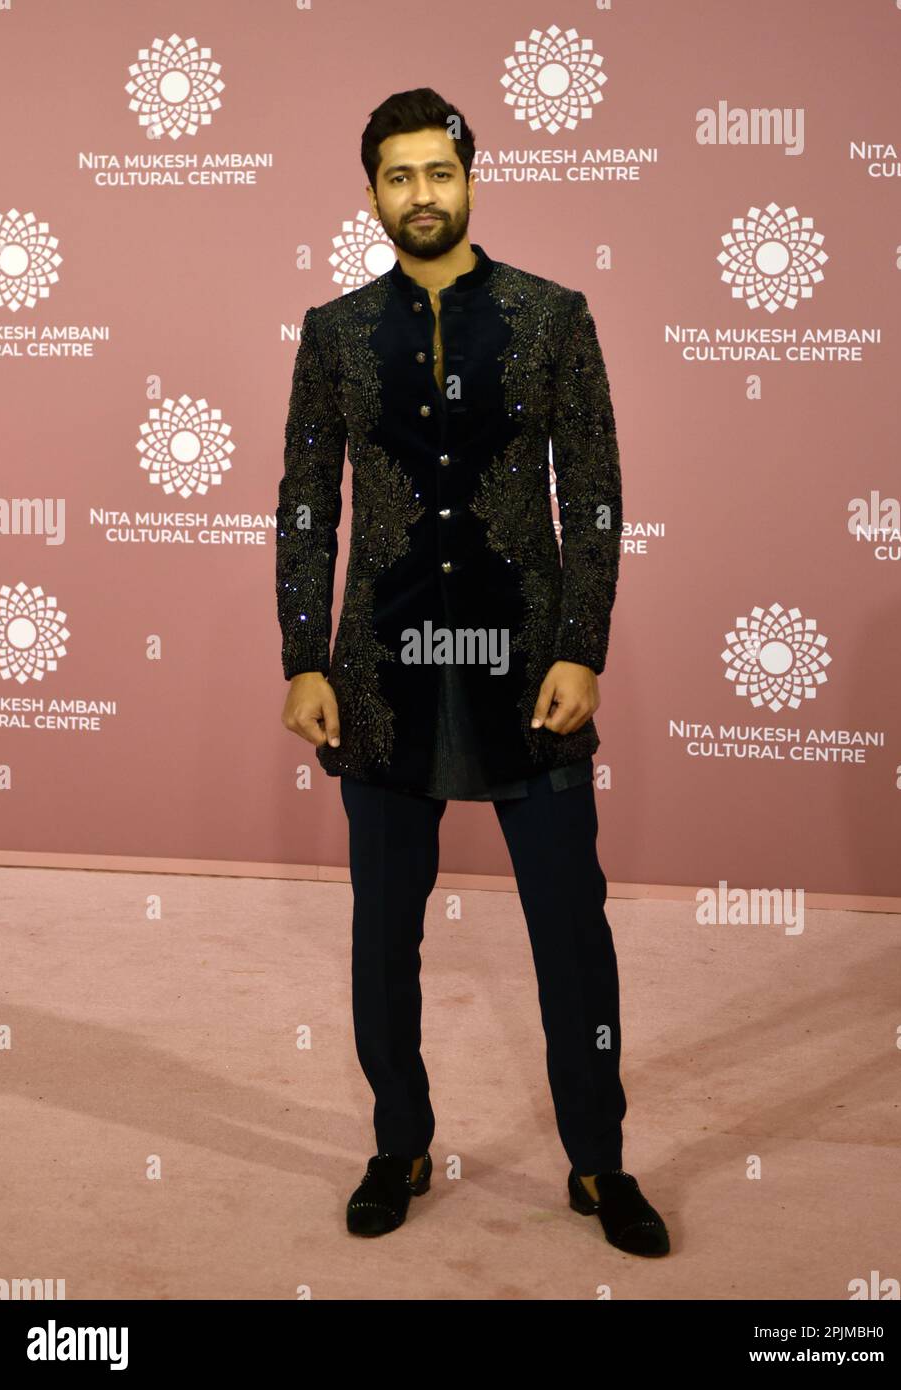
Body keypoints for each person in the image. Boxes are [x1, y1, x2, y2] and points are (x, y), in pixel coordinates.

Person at [276, 87, 669, 1257]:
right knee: (383, 931)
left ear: (471, 179)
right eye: (397, 177)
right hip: (383, 675)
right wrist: (305, 657)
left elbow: (592, 499)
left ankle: (599, 1162)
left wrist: (581, 647)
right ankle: (399, 1141)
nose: (421, 195)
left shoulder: (555, 318)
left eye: (437, 173)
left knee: (572, 929)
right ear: (372, 195)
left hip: (524, 672)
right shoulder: (336, 332)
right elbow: (306, 507)